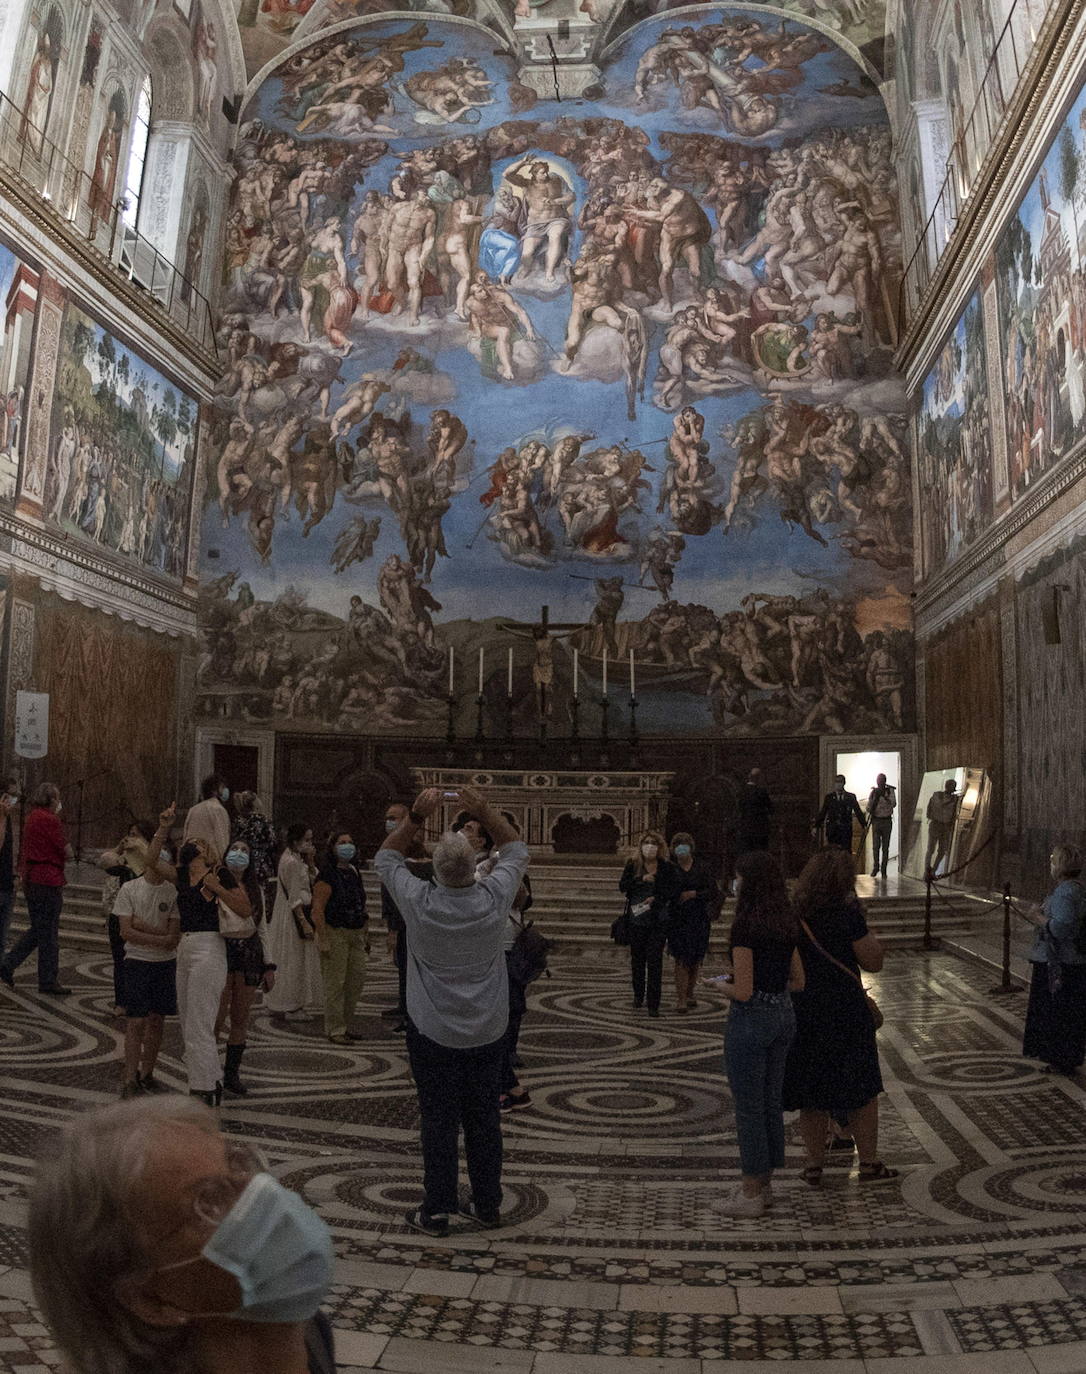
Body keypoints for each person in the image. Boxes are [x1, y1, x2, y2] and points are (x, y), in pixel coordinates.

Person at [27, 1097, 337, 1374]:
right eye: (209, 1200)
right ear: (149, 1299)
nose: (258, 1193)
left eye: (238, 1164)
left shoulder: (310, 1332)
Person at [374, 785, 529, 1237]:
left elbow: (385, 859)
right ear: (472, 867)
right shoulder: (493, 896)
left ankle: (437, 1207)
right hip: (487, 1029)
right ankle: (487, 1203)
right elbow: (516, 848)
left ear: (436, 871)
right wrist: (482, 809)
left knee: (438, 1120)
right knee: (484, 1118)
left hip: (432, 1030)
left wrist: (416, 819)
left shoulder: (419, 902)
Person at [782, 849, 897, 1185]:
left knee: (811, 1093)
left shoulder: (796, 914)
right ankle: (870, 1163)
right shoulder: (847, 914)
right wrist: (877, 942)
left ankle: (814, 1165)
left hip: (806, 1009)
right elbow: (872, 961)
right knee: (861, 1090)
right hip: (846, 1010)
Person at [703, 851, 804, 1217]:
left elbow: (743, 991)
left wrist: (718, 985)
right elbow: (798, 980)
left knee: (748, 1109)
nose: (735, 883)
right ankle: (765, 1185)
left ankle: (749, 1193)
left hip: (752, 1020)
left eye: (739, 877)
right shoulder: (787, 920)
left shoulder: (745, 927)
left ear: (749, 883)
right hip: (783, 1015)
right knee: (770, 1104)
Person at [144, 804, 251, 1106]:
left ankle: (204, 1088)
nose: (195, 844)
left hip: (209, 946)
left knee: (201, 1022)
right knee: (188, 1018)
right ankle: (207, 1080)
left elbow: (244, 909)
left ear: (209, 852)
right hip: (186, 946)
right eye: (191, 842)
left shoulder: (220, 874)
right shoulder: (180, 876)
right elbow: (150, 860)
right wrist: (164, 827)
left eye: (200, 843)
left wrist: (219, 889)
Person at [113, 859, 180, 1099]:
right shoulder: (130, 889)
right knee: (136, 1021)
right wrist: (161, 934)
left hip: (164, 963)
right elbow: (126, 931)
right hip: (137, 960)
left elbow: (174, 939)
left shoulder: (172, 892)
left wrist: (146, 929)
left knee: (156, 1020)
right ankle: (130, 1077)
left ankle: (147, 1073)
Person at [216, 839, 275, 1097]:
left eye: (245, 852)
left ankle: (232, 1073)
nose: (239, 855)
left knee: (240, 1016)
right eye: (235, 850)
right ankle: (209, 1072)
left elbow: (262, 928)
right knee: (217, 1016)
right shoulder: (215, 884)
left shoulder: (255, 889)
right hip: (221, 950)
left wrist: (269, 964)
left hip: (248, 954)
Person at [0, 781, 70, 995]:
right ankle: (44, 978)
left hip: (33, 879)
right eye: (57, 798)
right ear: (50, 799)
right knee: (47, 932)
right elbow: (64, 849)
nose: (59, 802)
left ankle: (9, 965)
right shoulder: (49, 820)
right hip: (47, 879)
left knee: (40, 929)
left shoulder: (31, 817)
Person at [1022, 845, 1086, 1075]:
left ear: (1059, 866)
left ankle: (1061, 1058)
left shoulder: (1066, 892)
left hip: (1060, 963)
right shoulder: (1076, 889)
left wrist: (1037, 916)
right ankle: (1065, 1057)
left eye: (1052, 861)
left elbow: (1060, 928)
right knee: (1067, 1012)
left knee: (1058, 1013)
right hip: (1070, 962)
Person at [311, 831, 368, 1044]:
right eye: (342, 843)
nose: (347, 846)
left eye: (350, 842)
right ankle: (335, 1028)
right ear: (333, 848)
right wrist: (323, 937)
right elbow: (318, 909)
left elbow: (361, 902)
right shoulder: (327, 874)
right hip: (336, 932)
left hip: (356, 932)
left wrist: (366, 931)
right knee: (336, 983)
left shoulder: (354, 871)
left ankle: (346, 1023)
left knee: (356, 980)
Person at [98, 822, 157, 1018]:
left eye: (136, 835)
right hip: (121, 913)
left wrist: (142, 848)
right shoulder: (123, 860)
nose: (131, 838)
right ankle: (121, 1001)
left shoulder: (153, 857)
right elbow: (105, 862)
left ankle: (142, 998)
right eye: (130, 834)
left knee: (142, 958)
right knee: (120, 958)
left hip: (144, 912)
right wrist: (119, 847)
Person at [619, 830, 679, 1017]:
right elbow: (623, 886)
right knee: (637, 960)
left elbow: (672, 890)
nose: (650, 846)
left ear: (660, 847)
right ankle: (638, 995)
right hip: (637, 918)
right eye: (647, 842)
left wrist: (656, 898)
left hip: (657, 919)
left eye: (654, 843)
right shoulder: (633, 864)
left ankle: (654, 1003)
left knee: (655, 961)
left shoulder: (666, 867)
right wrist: (640, 879)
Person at [379, 801, 428, 1029]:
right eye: (388, 817)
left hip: (410, 920)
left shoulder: (412, 849)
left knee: (411, 967)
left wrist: (395, 927)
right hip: (398, 917)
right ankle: (404, 1005)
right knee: (402, 964)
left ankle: (412, 1013)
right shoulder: (392, 847)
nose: (389, 822)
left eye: (394, 818)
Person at [267, 824, 322, 1022]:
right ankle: (291, 1004)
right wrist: (304, 922)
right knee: (294, 959)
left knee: (289, 958)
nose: (310, 844)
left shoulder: (297, 859)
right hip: (292, 917)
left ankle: (282, 1001)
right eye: (306, 840)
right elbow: (294, 896)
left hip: (289, 914)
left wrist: (310, 860)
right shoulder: (290, 861)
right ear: (295, 841)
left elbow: (312, 879)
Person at [666, 831, 720, 1012]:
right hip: (678, 919)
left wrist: (694, 894)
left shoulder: (702, 867)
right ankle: (681, 998)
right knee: (681, 958)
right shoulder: (670, 869)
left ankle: (690, 993)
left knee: (696, 958)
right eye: (678, 844)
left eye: (685, 844)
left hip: (699, 917)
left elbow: (713, 890)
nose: (681, 847)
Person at [231, 792, 276, 903]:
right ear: (255, 803)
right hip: (260, 862)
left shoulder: (237, 820)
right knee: (261, 895)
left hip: (242, 859)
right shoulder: (262, 819)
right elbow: (272, 841)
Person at [182, 775, 232, 862]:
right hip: (210, 860)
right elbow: (222, 839)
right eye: (222, 787)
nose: (225, 790)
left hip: (192, 858)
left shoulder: (193, 809)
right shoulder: (218, 809)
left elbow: (186, 835)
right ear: (214, 790)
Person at [813, 775, 865, 851]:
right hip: (833, 831)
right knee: (833, 853)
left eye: (840, 782)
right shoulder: (829, 798)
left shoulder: (850, 797)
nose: (838, 784)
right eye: (837, 782)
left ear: (844, 783)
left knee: (845, 853)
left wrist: (864, 824)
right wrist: (816, 826)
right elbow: (823, 812)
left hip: (845, 830)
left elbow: (858, 811)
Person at [925, 779, 960, 876]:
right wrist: (930, 816)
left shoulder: (955, 799)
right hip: (936, 824)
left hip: (945, 826)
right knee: (930, 849)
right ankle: (927, 869)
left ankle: (933, 871)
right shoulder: (936, 795)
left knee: (942, 850)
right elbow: (929, 807)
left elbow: (954, 814)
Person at [866, 773, 897, 879]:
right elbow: (868, 808)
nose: (880, 782)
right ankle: (876, 867)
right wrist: (875, 797)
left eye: (882, 780)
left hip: (886, 821)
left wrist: (884, 795)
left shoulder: (890, 791)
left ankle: (884, 870)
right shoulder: (874, 792)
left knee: (885, 847)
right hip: (877, 820)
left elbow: (893, 803)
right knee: (876, 846)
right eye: (878, 780)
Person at [0, 777, 18, 960]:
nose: (13, 800)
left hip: (6, 882)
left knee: (3, 937)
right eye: (10, 795)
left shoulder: (8, 818)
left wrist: (14, 873)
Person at [736, 767, 774, 853]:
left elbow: (739, 809)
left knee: (746, 853)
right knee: (760, 853)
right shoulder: (762, 792)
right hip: (760, 830)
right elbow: (771, 809)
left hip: (745, 829)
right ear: (759, 778)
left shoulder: (741, 792)